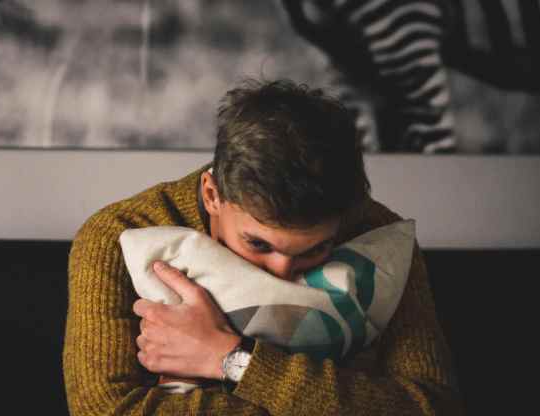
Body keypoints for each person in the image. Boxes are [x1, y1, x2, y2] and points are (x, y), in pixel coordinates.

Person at [63, 78, 463, 414]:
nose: (282, 271)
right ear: (212, 193)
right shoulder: (117, 233)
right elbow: (104, 411)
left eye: (312, 250)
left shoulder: (376, 234)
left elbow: (433, 406)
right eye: (257, 243)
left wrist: (233, 359)